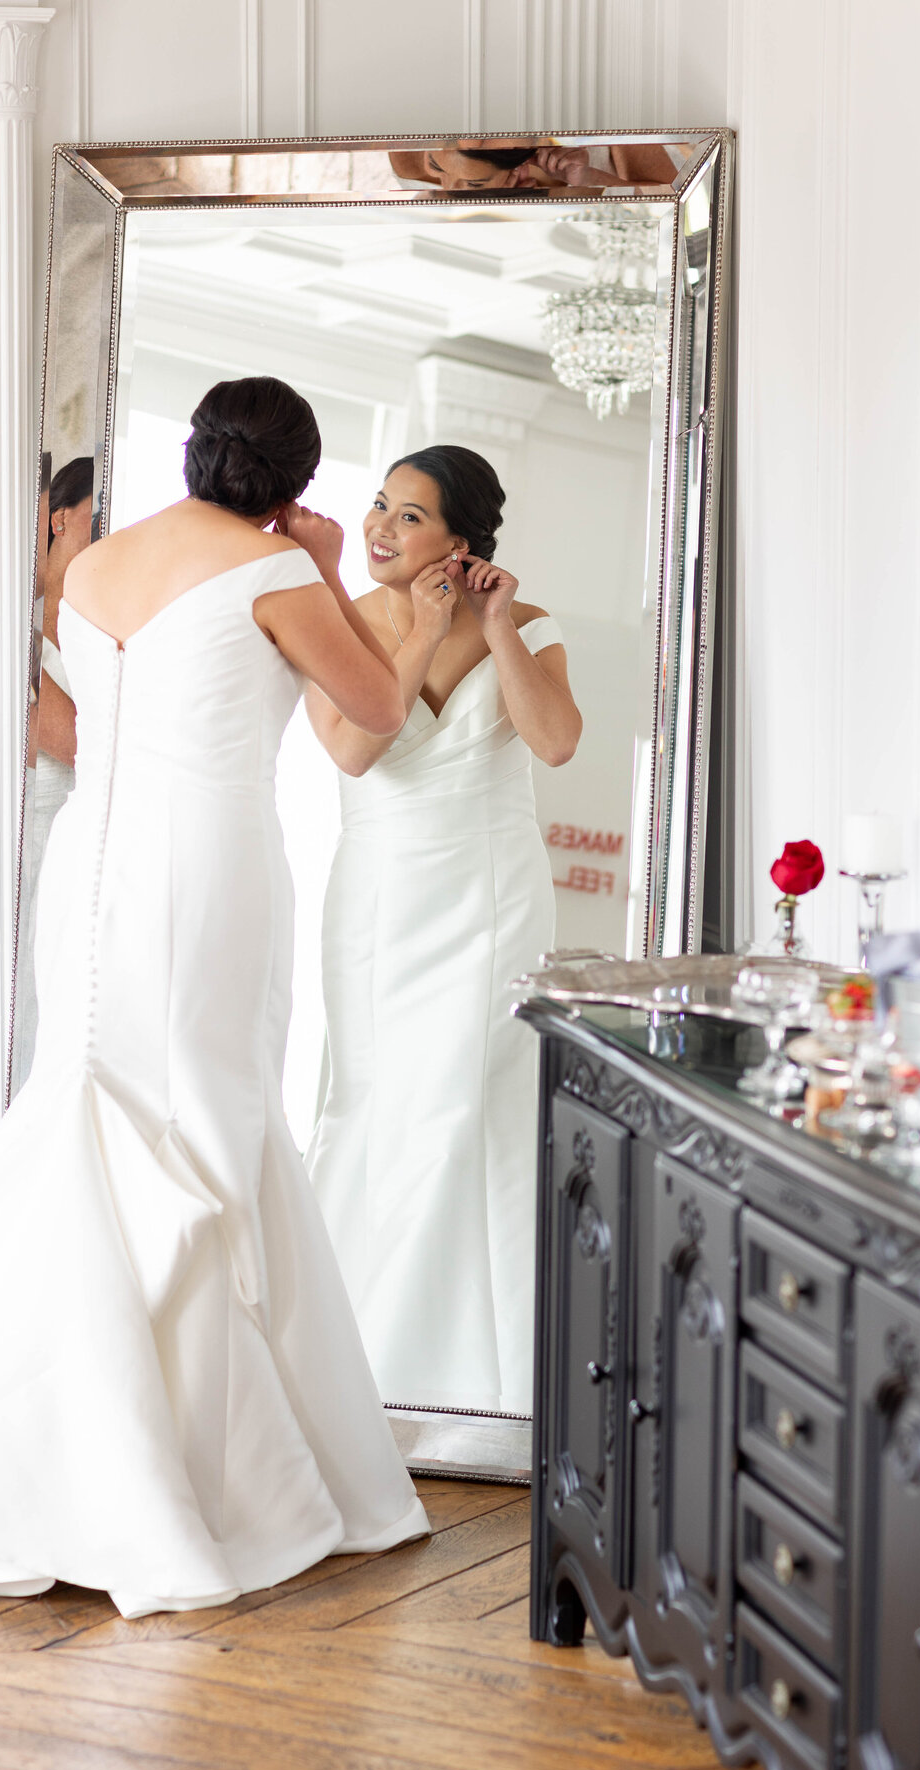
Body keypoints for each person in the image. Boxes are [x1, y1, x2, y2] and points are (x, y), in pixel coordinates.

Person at [0, 376, 429, 1617]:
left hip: (93, 871)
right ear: (298, 480)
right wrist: (331, 569)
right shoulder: (279, 576)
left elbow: (65, 728)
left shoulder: (100, 567)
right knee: (207, 1116)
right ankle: (201, 1478)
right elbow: (381, 708)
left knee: (100, 1105)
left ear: (194, 454)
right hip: (207, 864)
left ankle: (50, 1456)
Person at [301, 447, 582, 1414]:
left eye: (409, 516)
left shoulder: (527, 624)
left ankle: (473, 1385)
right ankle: (356, 1369)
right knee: (376, 1102)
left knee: (468, 1108)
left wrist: (496, 626)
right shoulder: (335, 621)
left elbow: (553, 741)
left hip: (492, 899)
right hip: (378, 902)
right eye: (379, 505)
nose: (378, 526)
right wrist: (419, 630)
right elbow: (351, 751)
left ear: (460, 541)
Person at [14, 456, 95, 1081]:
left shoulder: (104, 624)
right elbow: (76, 741)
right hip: (32, 821)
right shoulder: (17, 617)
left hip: (91, 830)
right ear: (60, 517)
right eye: (103, 513)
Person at [388, 137, 682, 193]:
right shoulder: (413, 166)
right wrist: (590, 179)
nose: (446, 192)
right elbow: (671, 207)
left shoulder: (412, 164)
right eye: (436, 167)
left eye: (474, 184)